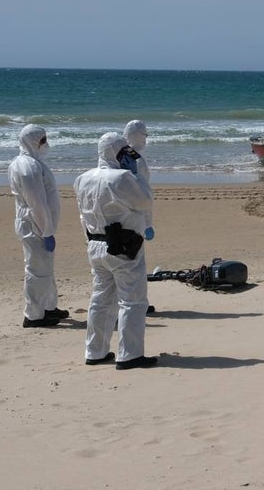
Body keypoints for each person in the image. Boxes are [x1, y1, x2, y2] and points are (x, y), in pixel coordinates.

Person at [74, 132, 157, 370]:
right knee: (132, 300)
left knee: (101, 300)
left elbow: (82, 214)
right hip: (124, 246)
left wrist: (88, 240)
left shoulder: (82, 178)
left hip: (96, 244)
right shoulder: (122, 178)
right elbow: (145, 201)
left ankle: (95, 351)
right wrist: (137, 175)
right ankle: (130, 354)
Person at [8, 124, 68, 328]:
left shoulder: (33, 162)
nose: (46, 144)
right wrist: (47, 231)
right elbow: (36, 203)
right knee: (36, 270)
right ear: (32, 141)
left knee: (46, 268)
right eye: (42, 140)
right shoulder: (27, 167)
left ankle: (49, 307)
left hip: (40, 224)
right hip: (34, 225)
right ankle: (33, 315)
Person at [122, 120, 154, 242]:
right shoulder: (137, 161)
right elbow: (143, 195)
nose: (145, 138)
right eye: (144, 134)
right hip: (135, 216)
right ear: (136, 135)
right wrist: (148, 223)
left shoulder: (120, 155)